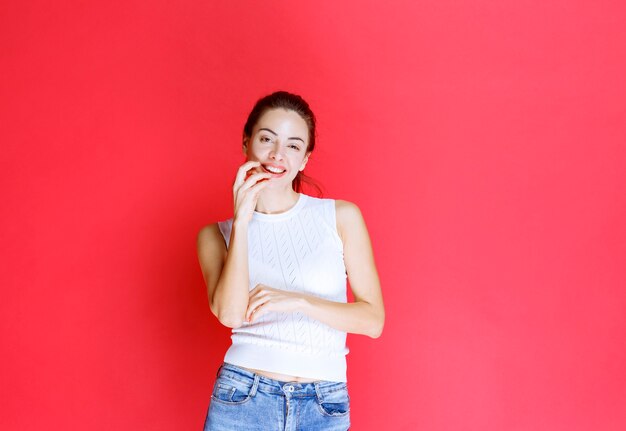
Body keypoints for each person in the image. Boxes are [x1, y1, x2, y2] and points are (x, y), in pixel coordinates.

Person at [196, 90, 384, 430]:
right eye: (267, 139)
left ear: (305, 159)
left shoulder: (340, 217)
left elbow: (373, 321)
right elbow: (230, 314)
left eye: (293, 146)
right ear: (246, 142)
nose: (277, 155)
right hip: (243, 398)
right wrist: (242, 220)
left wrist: (297, 301)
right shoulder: (215, 235)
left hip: (323, 403)